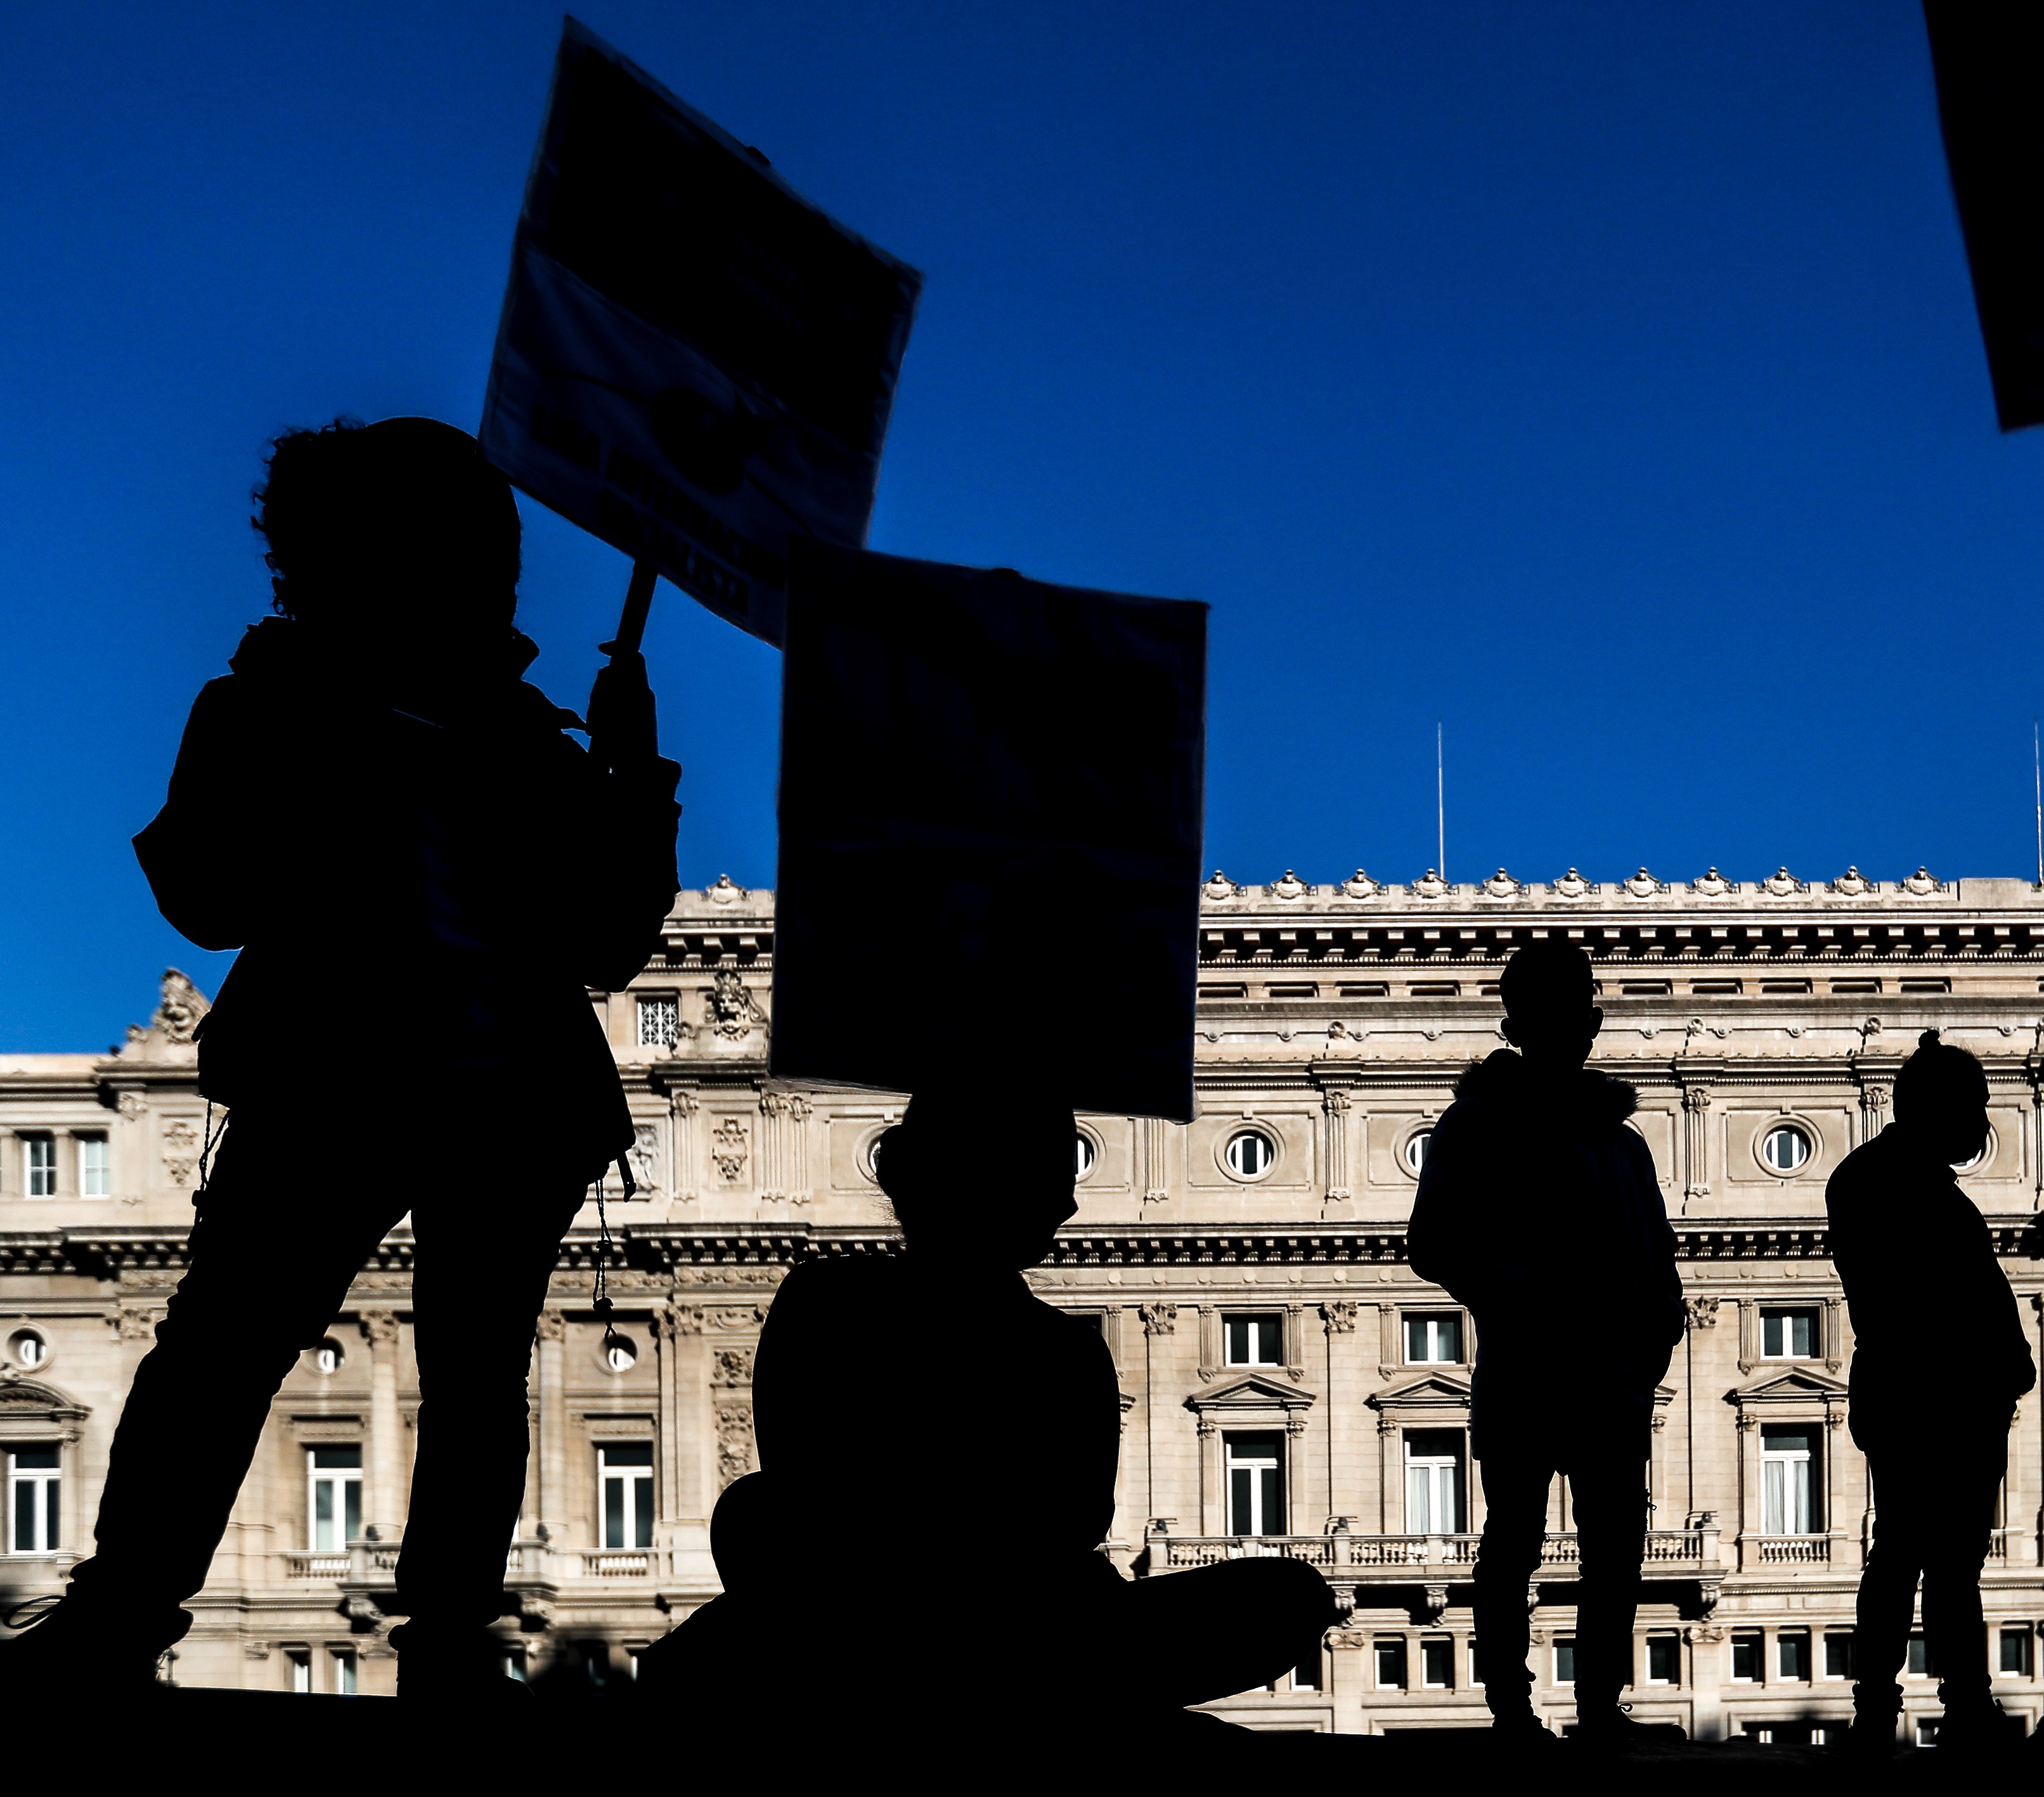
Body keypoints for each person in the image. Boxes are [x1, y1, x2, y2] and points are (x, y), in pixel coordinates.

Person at [0, 417, 681, 1697]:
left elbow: (613, 936)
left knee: (477, 1371)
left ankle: (449, 1636)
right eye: (477, 548)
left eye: (502, 551)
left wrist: (632, 762)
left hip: (511, 1092)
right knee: (224, 1339)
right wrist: (283, 722)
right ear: (373, 555)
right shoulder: (281, 700)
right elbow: (205, 890)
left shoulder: (532, 741)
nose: (502, 574)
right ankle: (126, 1601)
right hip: (333, 1073)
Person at [646, 1084, 1337, 1720]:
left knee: (755, 1516)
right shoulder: (1064, 1350)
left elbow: (796, 1474)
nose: (1069, 1204)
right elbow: (1071, 1528)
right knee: (1287, 1598)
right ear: (991, 1183)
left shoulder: (822, 1301)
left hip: (861, 1617)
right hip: (1014, 1634)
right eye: (1051, 1176)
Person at [1408, 941, 1685, 1747]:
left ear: (1594, 1022)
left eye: (1582, 1012)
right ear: (1517, 1025)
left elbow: (1657, 1252)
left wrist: (1652, 1339)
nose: (1575, 1027)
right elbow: (1433, 1242)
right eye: (1553, 1013)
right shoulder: (1479, 1124)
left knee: (1616, 1547)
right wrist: (1520, 1291)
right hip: (1528, 1367)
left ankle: (1600, 1706)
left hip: (1612, 1377)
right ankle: (1511, 1708)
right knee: (1513, 1540)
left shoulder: (1623, 1145)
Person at [1826, 1031, 2033, 1755]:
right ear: (1935, 1107)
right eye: (1973, 1107)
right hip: (1931, 1398)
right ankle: (1925, 1707)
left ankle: (1925, 1705)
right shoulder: (1892, 1185)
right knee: (1922, 1555)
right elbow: (1933, 1301)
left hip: (1936, 1395)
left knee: (1932, 1556)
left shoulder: (1887, 1180)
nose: (1981, 1125)